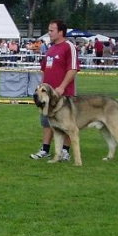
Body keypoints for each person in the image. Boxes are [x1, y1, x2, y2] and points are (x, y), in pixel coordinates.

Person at [30, 19, 80, 161]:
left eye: (52, 30)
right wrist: (40, 89)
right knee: (46, 122)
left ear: (61, 32)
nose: (49, 33)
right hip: (47, 95)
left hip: (64, 94)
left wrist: (62, 87)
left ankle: (65, 151)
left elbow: (73, 69)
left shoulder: (68, 47)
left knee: (67, 124)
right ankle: (45, 149)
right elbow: (45, 70)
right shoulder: (50, 49)